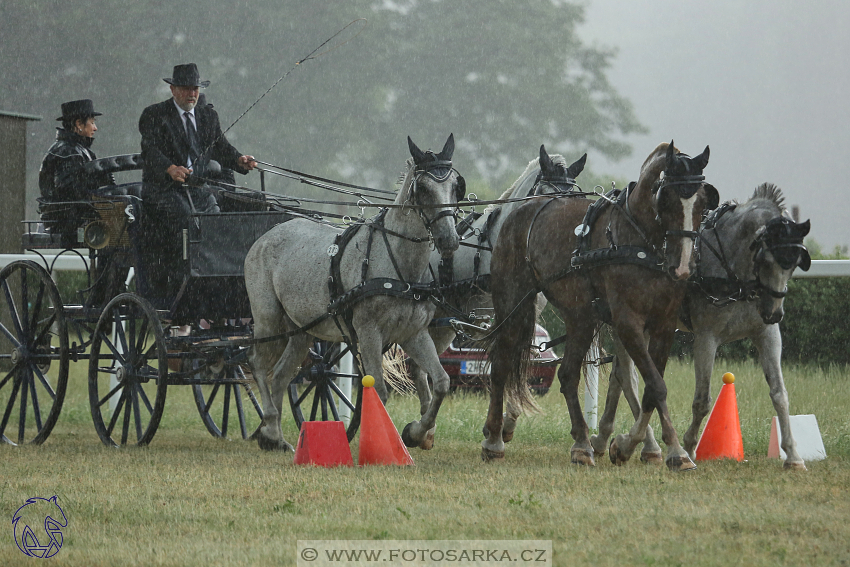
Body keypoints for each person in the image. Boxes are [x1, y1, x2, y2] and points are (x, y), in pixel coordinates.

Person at [138, 63, 256, 298]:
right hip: (164, 190)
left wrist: (239, 160)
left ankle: (214, 284)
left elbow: (220, 147)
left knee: (214, 222)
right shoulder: (154, 115)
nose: (192, 94)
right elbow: (149, 151)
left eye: (195, 89)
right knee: (187, 221)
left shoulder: (207, 115)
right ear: (173, 90)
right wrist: (170, 168)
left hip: (198, 190)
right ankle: (180, 282)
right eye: (186, 88)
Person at [38, 99, 115, 245]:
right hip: (69, 220)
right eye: (92, 122)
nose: (95, 128)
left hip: (76, 215)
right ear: (79, 124)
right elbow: (71, 191)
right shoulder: (68, 152)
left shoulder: (78, 150)